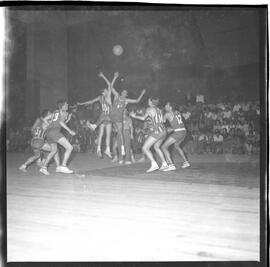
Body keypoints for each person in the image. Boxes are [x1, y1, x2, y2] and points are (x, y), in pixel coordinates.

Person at [109, 72, 146, 162]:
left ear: (126, 95)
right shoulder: (117, 96)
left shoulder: (126, 100)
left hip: (118, 118)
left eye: (126, 93)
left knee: (121, 135)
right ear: (121, 92)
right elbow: (111, 87)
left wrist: (142, 93)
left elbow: (137, 100)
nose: (124, 93)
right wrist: (114, 77)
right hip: (112, 116)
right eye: (124, 92)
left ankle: (123, 153)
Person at [77, 72, 114, 158]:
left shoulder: (100, 98)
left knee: (101, 134)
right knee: (107, 135)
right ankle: (107, 149)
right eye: (106, 90)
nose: (107, 90)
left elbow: (90, 101)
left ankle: (99, 149)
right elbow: (110, 85)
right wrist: (103, 76)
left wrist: (81, 103)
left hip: (103, 118)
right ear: (104, 92)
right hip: (108, 118)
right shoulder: (108, 97)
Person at [130, 97, 168, 173]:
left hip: (157, 131)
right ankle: (164, 164)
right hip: (163, 130)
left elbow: (144, 118)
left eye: (148, 100)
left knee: (145, 148)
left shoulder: (149, 109)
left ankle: (154, 164)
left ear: (151, 102)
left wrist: (134, 116)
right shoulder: (159, 109)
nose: (147, 102)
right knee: (157, 147)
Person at [19, 109, 60, 175]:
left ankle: (23, 166)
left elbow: (33, 129)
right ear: (47, 115)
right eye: (49, 114)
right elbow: (52, 126)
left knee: (37, 156)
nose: (51, 115)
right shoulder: (45, 123)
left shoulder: (39, 122)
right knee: (55, 150)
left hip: (33, 141)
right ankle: (47, 167)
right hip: (39, 141)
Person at [45, 100, 76, 173]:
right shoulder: (63, 112)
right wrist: (70, 131)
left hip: (49, 133)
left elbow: (45, 119)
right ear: (62, 106)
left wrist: (67, 120)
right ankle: (63, 166)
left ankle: (44, 167)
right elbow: (61, 122)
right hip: (55, 132)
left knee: (54, 150)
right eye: (66, 104)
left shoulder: (55, 112)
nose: (67, 105)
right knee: (69, 147)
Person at [161, 102, 190, 171]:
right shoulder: (177, 112)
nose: (165, 106)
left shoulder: (167, 114)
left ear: (170, 107)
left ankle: (171, 165)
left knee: (163, 147)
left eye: (166, 105)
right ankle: (186, 162)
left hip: (178, 132)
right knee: (177, 146)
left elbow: (162, 122)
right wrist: (171, 128)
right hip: (184, 131)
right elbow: (176, 122)